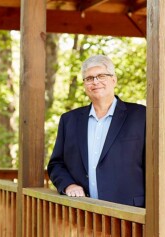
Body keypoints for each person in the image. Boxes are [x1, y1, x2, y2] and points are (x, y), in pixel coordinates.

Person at [47, 55, 146, 207]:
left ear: (114, 80)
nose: (95, 82)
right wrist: (69, 185)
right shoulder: (69, 120)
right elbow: (56, 164)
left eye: (101, 76)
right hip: (83, 212)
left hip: (130, 214)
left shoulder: (141, 116)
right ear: (84, 85)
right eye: (89, 78)